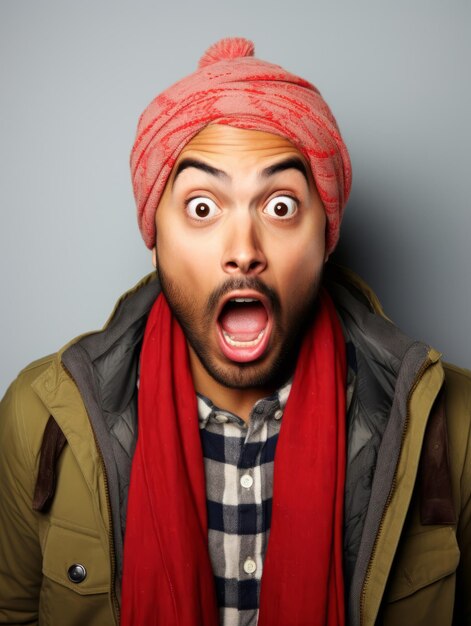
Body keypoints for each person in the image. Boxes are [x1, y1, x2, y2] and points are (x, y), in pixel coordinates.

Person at [0, 36, 469, 626]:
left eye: (280, 208)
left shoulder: (453, 422)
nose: (243, 252)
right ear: (156, 239)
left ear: (326, 236)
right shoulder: (40, 415)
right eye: (202, 207)